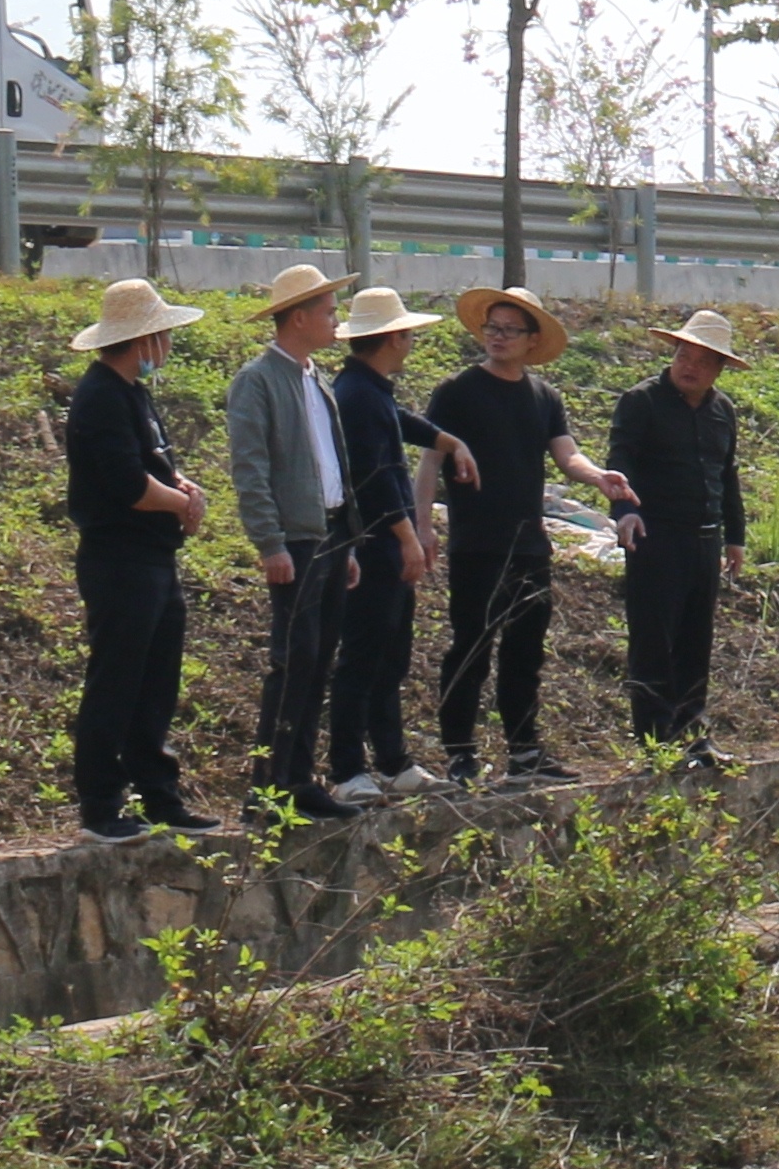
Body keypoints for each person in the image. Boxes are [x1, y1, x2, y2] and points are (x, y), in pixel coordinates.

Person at [421, 284, 636, 785]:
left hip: (529, 543)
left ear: (530, 339)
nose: (497, 337)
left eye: (509, 330)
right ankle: (460, 752)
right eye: (491, 328)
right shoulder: (457, 391)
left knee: (524, 649)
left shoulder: (543, 397)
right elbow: (429, 460)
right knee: (470, 645)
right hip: (476, 540)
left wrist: (599, 476)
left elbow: (567, 455)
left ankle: (523, 749)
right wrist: (421, 524)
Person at [56, 274, 212, 842]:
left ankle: (158, 795)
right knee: (117, 681)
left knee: (156, 681)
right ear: (141, 341)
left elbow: (156, 464)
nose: (166, 347)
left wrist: (182, 488)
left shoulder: (133, 393)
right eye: (161, 336)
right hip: (119, 557)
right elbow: (129, 484)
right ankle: (101, 804)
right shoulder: (98, 395)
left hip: (152, 556)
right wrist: (180, 504)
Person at [222, 258, 367, 822]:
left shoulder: (316, 381)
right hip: (297, 541)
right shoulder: (257, 381)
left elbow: (333, 465)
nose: (336, 322)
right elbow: (250, 468)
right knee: (293, 659)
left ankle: (300, 779)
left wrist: (347, 541)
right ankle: (268, 784)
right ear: (300, 317)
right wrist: (270, 542)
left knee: (320, 657)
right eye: (329, 312)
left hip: (328, 537)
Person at [603, 305, 753, 764]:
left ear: (719, 369)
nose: (691, 367)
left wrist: (735, 536)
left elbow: (725, 475)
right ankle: (655, 742)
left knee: (695, 639)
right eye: (685, 355)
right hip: (654, 535)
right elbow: (620, 460)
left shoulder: (721, 411)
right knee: (653, 640)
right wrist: (624, 511)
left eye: (704, 361)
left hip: (703, 538)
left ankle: (693, 734)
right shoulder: (642, 402)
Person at [318, 287, 440, 805]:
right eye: (408, 334)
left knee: (390, 655)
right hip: (372, 545)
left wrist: (443, 439)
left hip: (384, 544)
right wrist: (408, 536)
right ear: (392, 338)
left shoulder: (370, 389)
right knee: (364, 657)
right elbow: (375, 479)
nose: (411, 342)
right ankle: (348, 766)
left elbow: (401, 427)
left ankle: (390, 758)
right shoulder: (359, 396)